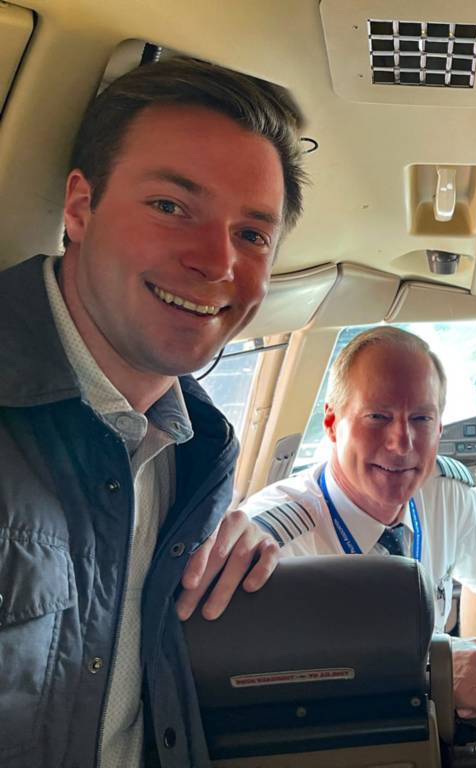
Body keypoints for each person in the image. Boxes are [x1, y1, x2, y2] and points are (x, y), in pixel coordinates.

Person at [0, 58, 306, 768]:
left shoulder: (200, 457)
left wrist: (242, 548)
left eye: (252, 235)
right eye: (171, 207)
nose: (216, 262)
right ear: (81, 207)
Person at [239, 325, 476, 734]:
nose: (401, 443)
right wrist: (438, 672)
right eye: (378, 416)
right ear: (332, 422)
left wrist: (470, 703)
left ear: (439, 429)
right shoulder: (274, 542)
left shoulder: (448, 494)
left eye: (421, 418)